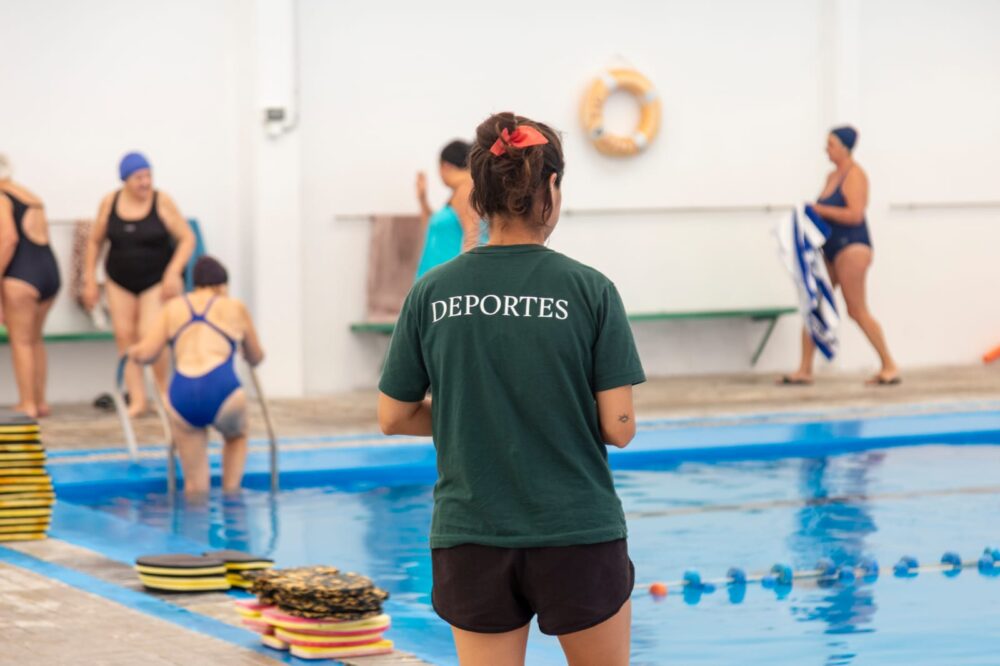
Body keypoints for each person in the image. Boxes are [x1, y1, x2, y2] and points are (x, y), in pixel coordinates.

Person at [378, 112, 644, 666]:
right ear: (550, 186)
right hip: (576, 530)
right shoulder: (590, 290)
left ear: (481, 192)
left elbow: (393, 416)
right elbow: (618, 428)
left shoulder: (432, 292)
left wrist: (466, 412)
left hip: (471, 534)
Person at [129, 256, 263, 496]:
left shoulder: (174, 307)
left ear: (195, 285)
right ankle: (232, 497)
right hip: (222, 387)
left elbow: (147, 354)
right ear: (222, 285)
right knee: (236, 436)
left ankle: (194, 525)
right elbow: (256, 356)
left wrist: (133, 351)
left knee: (195, 488)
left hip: (183, 391)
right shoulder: (234, 306)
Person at [782, 126, 900, 386]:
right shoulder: (830, 176)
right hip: (830, 248)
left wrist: (820, 210)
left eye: (831, 144)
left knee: (856, 310)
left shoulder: (855, 175)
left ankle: (889, 365)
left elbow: (855, 214)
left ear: (845, 148)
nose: (826, 149)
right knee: (815, 305)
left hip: (853, 247)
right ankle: (804, 370)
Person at [82, 152, 195, 416]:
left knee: (151, 335)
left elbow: (187, 239)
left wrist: (173, 272)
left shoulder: (162, 201)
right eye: (138, 178)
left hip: (155, 280)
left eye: (148, 176)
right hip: (119, 279)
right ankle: (137, 400)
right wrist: (89, 280)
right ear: (125, 180)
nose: (145, 183)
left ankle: (164, 394)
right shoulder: (109, 203)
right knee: (125, 337)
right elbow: (95, 241)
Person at [0, 154, 61, 418]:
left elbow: (9, 240)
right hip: (49, 271)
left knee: (21, 341)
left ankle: (27, 404)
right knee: (35, 340)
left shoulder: (1, 197)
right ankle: (40, 401)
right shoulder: (29, 195)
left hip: (21, 276)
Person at [414, 140, 482, 280]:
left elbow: (473, 236)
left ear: (445, 166)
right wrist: (422, 198)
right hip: (437, 278)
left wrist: (464, 283)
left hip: (447, 281)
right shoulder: (461, 190)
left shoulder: (465, 189)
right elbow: (432, 229)